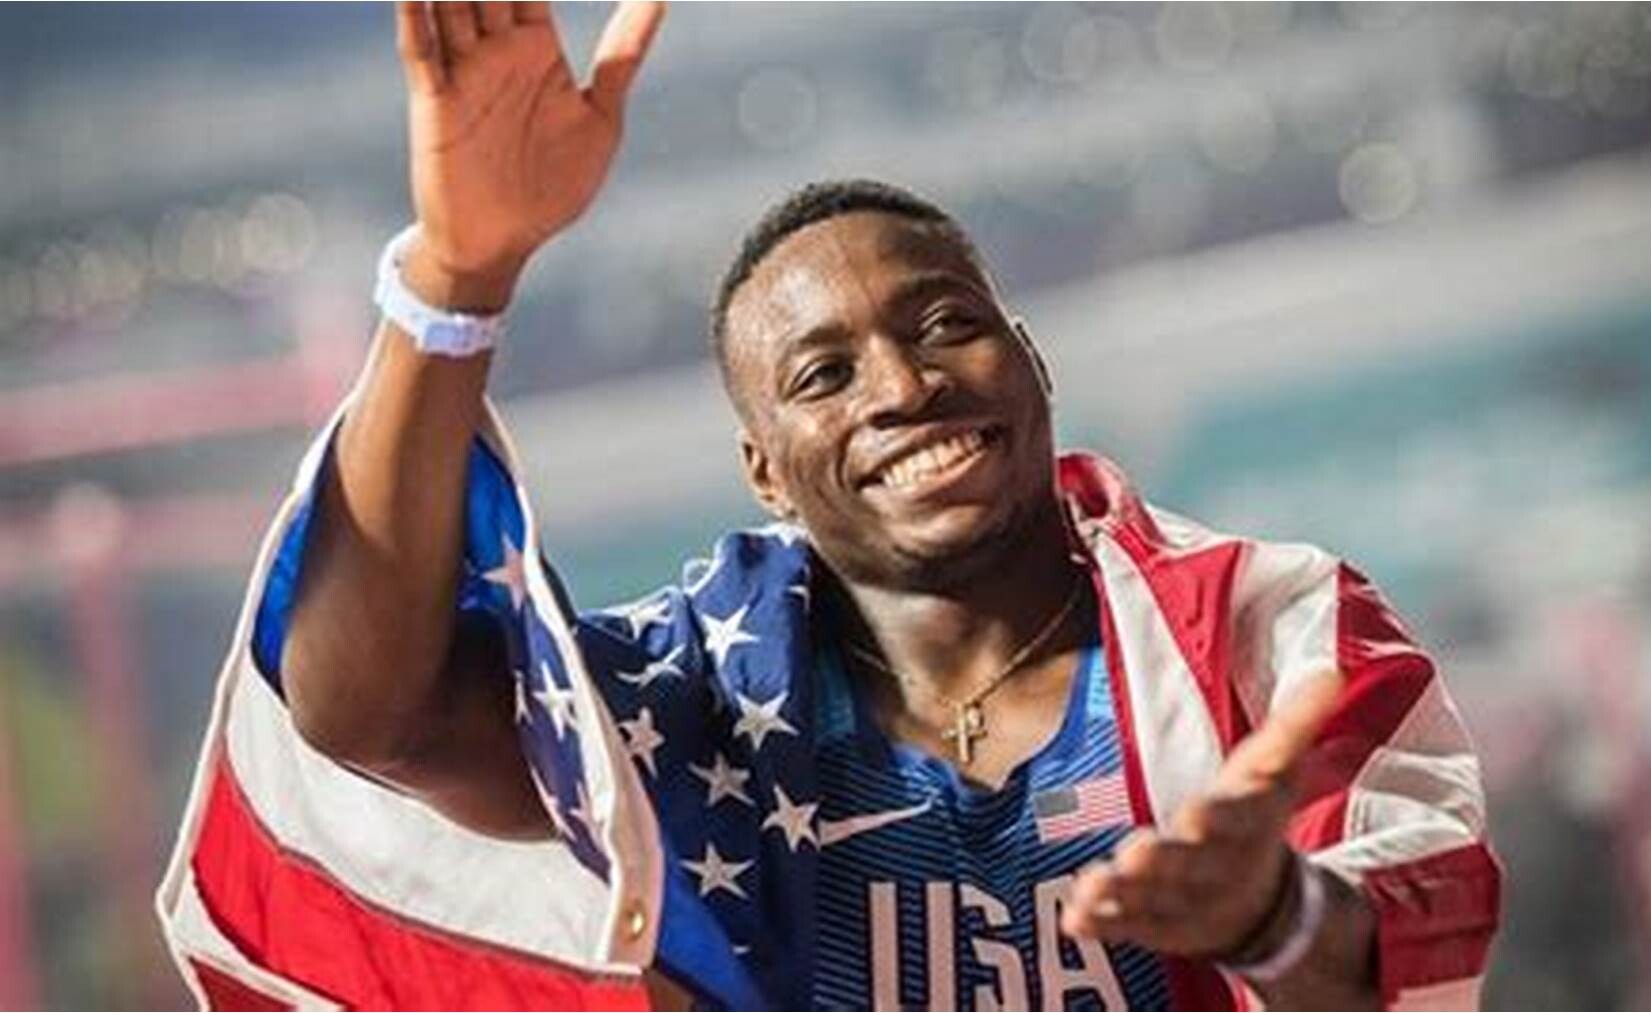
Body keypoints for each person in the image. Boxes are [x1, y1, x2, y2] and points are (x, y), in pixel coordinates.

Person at [158, 3, 1501, 1010]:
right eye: (824, 375)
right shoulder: (687, 697)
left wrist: (1272, 913)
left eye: (947, 324)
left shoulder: (1264, 625)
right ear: (766, 469)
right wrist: (457, 281)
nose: (905, 386)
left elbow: (1418, 932)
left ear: (1030, 356)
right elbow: (364, 715)